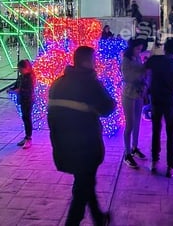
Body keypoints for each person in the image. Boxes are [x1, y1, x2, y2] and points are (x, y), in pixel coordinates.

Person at [48, 46, 116, 226]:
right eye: (94, 59)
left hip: (63, 145)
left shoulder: (57, 84)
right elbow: (108, 107)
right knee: (81, 189)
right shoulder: (90, 83)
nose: (96, 63)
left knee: (85, 182)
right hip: (86, 146)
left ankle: (99, 218)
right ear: (87, 61)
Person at [145, 38, 173, 178]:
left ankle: (154, 162)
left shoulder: (155, 60)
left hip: (155, 99)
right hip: (170, 102)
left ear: (164, 48)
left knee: (156, 131)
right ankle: (170, 166)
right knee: (171, 134)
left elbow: (146, 72)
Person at [120, 38, 148, 168]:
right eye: (137, 49)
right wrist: (143, 70)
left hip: (139, 93)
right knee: (129, 124)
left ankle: (135, 147)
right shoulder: (126, 60)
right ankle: (127, 153)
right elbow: (128, 77)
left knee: (137, 122)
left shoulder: (138, 58)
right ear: (132, 48)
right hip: (128, 94)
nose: (139, 51)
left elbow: (142, 75)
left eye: (141, 49)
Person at [12, 59, 36, 149]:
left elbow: (29, 91)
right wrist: (12, 89)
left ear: (26, 68)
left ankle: (28, 138)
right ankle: (26, 137)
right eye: (19, 69)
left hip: (28, 100)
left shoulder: (29, 77)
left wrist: (19, 91)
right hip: (22, 100)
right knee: (25, 118)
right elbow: (16, 85)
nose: (19, 71)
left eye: (21, 69)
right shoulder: (21, 77)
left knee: (27, 118)